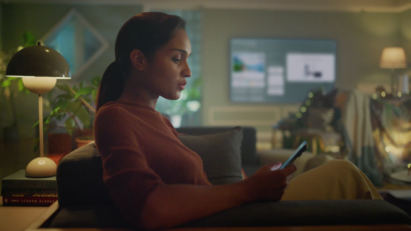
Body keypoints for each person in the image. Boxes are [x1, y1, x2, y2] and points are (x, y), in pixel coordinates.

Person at [94, 12, 382, 230]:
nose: (188, 71)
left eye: (187, 58)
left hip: (234, 213)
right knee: (343, 173)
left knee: (339, 174)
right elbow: (148, 208)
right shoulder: (115, 117)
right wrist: (247, 190)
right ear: (139, 60)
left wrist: (254, 184)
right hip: (228, 222)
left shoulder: (160, 121)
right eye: (177, 58)